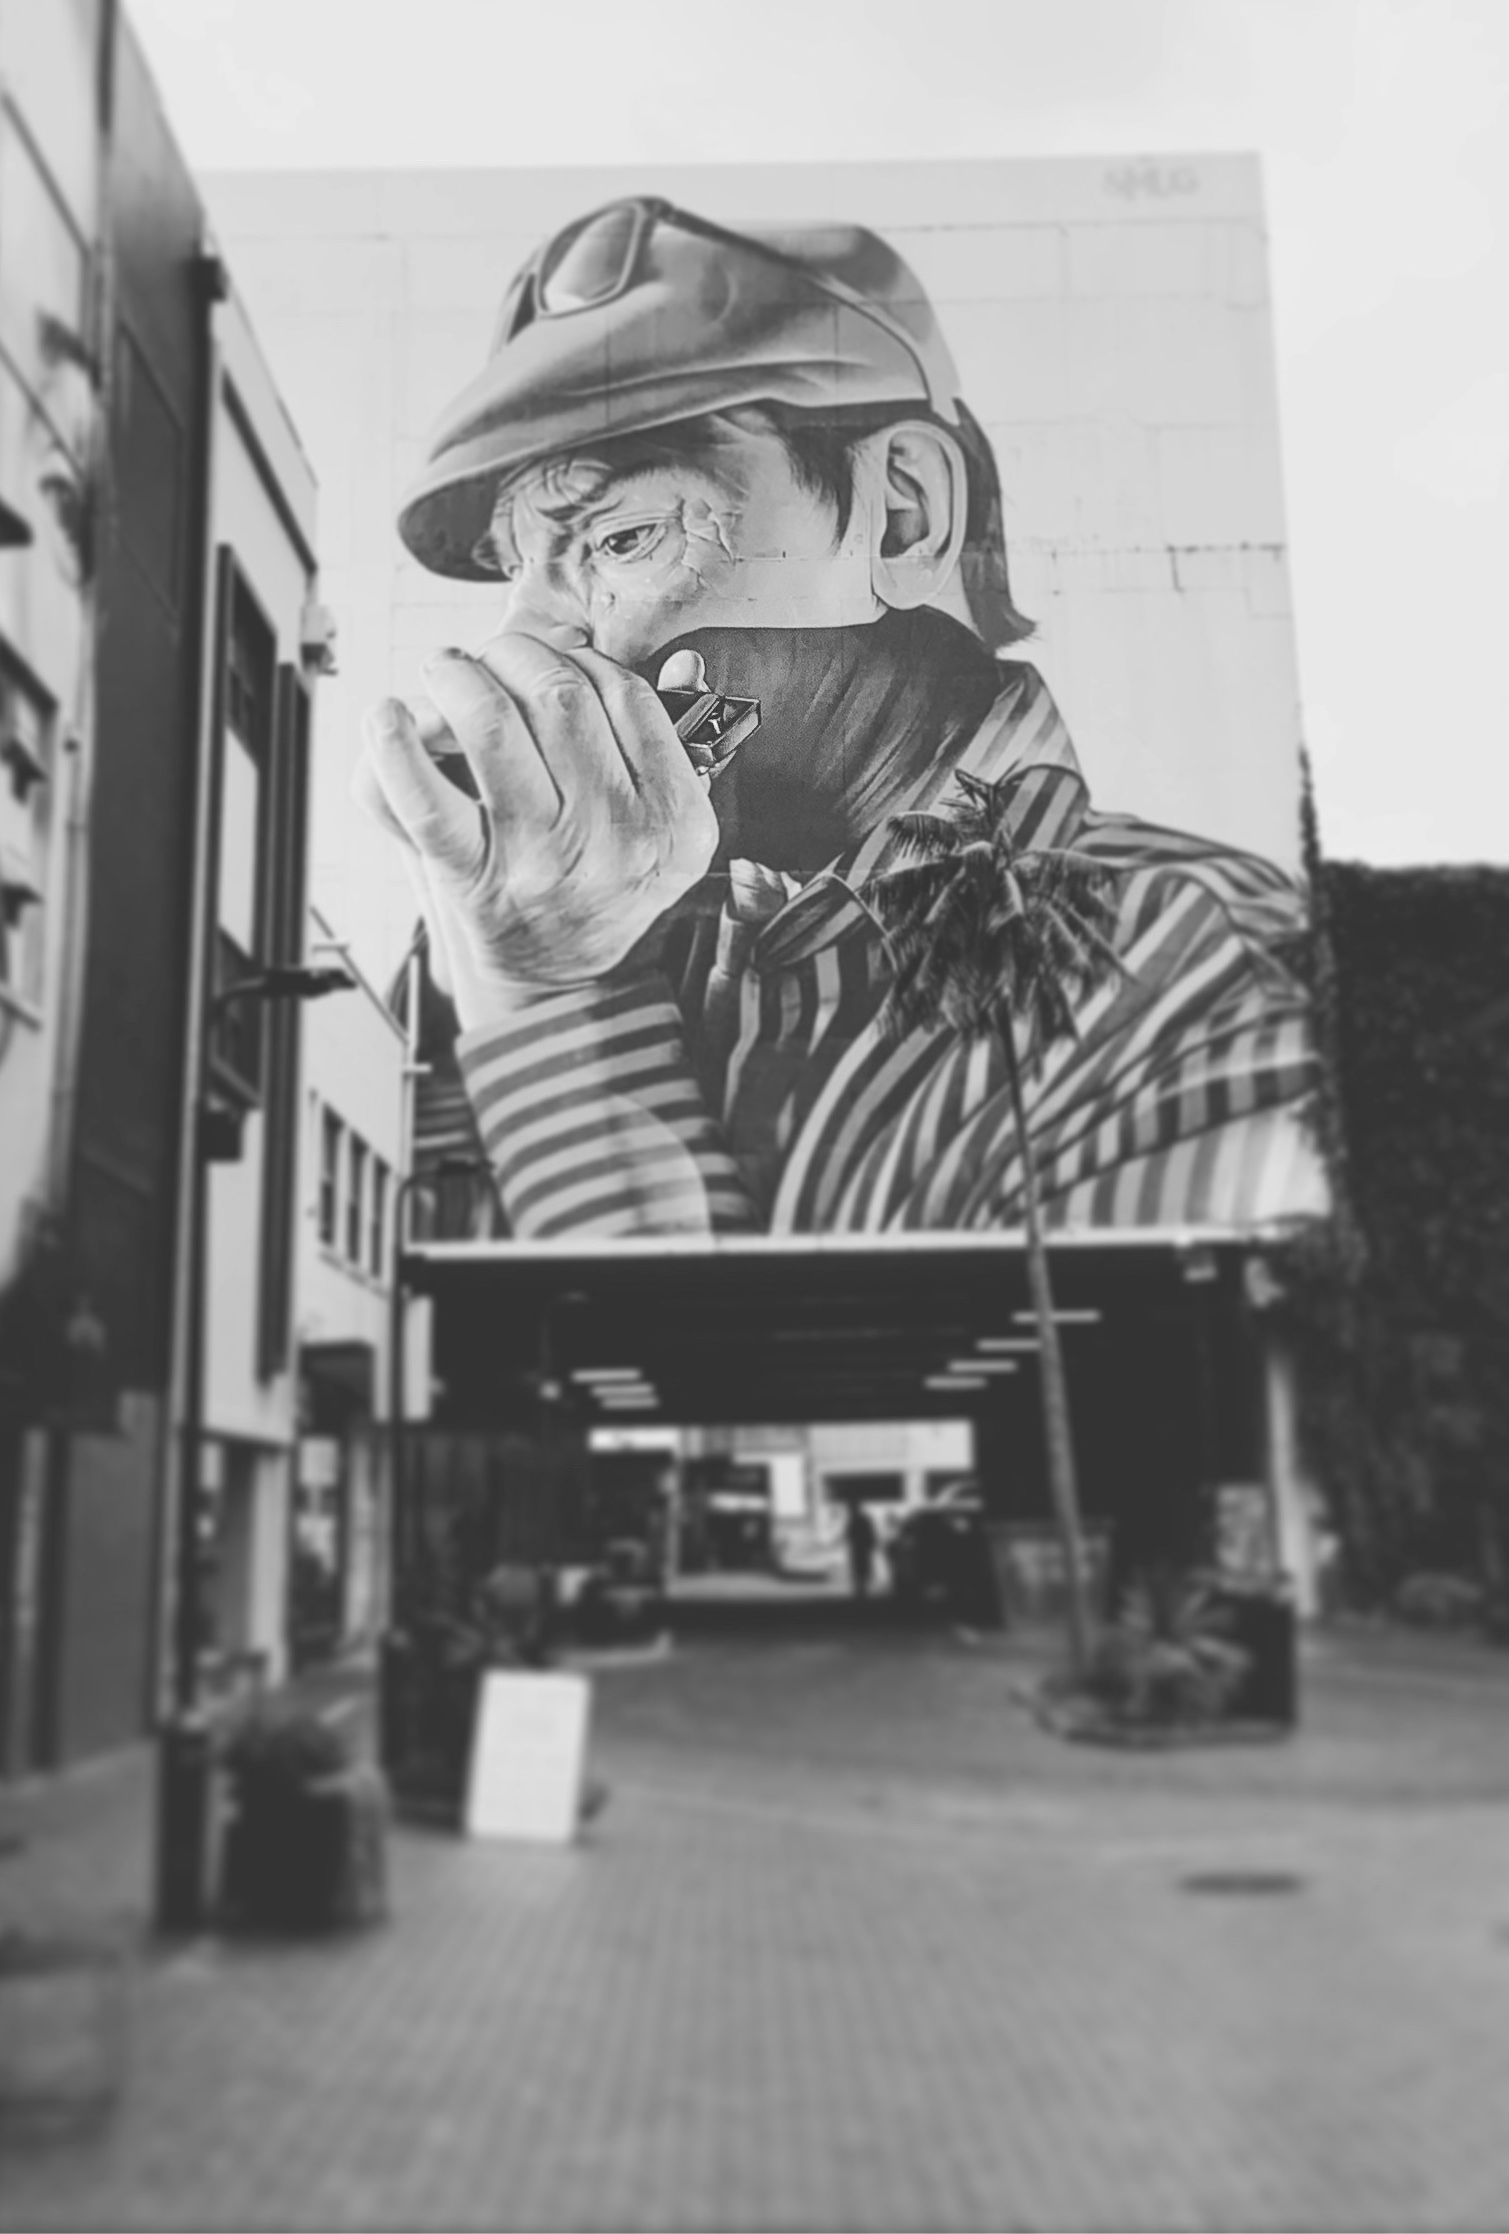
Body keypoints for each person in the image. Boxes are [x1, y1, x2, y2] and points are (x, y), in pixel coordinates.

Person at [360, 193, 1328, 1242]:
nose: (539, 644)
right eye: (517, 575)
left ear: (904, 510)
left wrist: (555, 996)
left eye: (624, 535)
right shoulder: (587, 921)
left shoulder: (1197, 980)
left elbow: (720, 1404)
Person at [844, 1497, 880, 1603]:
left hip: (858, 1549)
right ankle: (862, 1592)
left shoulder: (854, 1520)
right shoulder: (864, 1519)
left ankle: (860, 1592)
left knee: (859, 1570)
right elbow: (871, 1534)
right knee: (862, 1570)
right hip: (863, 1549)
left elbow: (848, 1535)